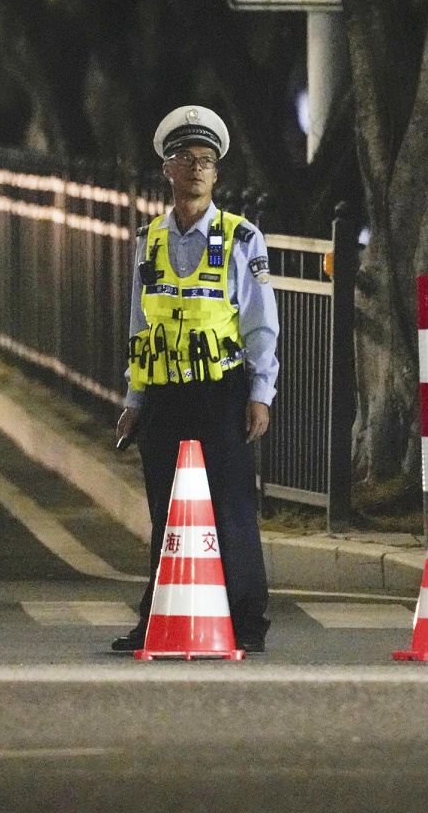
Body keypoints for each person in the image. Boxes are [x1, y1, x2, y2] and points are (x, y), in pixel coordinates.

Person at [111, 105, 279, 654]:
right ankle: (157, 617)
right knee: (165, 511)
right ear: (168, 169)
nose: (197, 169)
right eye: (186, 159)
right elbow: (140, 323)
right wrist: (134, 398)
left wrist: (260, 393)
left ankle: (247, 621)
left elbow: (260, 323)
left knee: (231, 507)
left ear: (216, 172)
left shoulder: (241, 238)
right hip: (163, 394)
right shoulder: (149, 239)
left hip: (220, 391)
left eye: (206, 161)